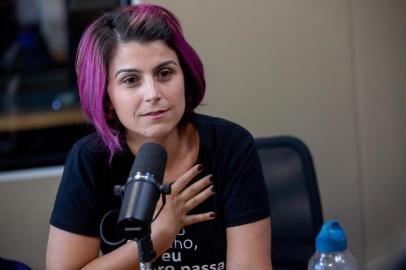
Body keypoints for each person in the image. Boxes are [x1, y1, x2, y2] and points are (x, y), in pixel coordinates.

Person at [46, 3, 271, 269]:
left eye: (164, 73)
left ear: (185, 78)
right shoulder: (91, 159)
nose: (152, 93)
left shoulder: (231, 146)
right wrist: (154, 240)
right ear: (107, 98)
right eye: (131, 80)